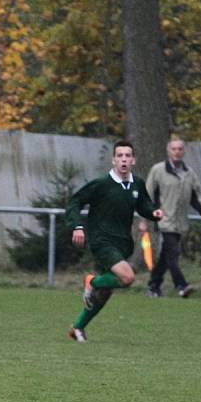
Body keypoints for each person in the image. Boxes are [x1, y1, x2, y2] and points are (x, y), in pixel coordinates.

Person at [65, 140, 165, 342]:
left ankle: (77, 328)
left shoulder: (136, 184)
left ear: (133, 160)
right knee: (127, 278)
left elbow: (144, 205)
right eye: (120, 156)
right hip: (102, 241)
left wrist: (154, 213)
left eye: (128, 155)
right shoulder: (101, 184)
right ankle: (91, 281)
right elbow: (75, 201)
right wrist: (77, 226)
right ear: (113, 160)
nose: (124, 159)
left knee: (106, 291)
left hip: (122, 243)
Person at [142, 136, 201, 298]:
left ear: (184, 151)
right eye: (174, 149)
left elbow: (196, 197)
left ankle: (153, 286)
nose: (177, 152)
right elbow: (146, 194)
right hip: (163, 220)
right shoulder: (158, 170)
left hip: (180, 222)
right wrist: (144, 219)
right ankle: (181, 286)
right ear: (168, 151)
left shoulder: (189, 174)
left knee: (166, 256)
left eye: (180, 149)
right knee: (173, 252)